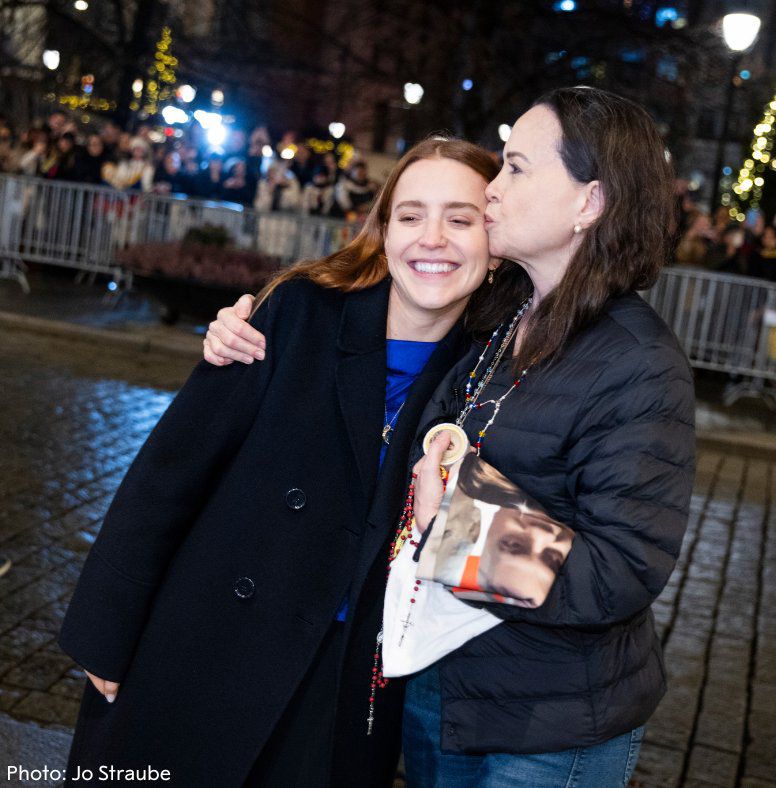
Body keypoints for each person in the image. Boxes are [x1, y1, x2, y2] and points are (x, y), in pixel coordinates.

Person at [207, 87, 696, 786]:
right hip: (440, 696)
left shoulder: (639, 364)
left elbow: (623, 570)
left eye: (517, 169)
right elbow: (384, 324)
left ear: (588, 203)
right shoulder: (502, 317)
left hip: (547, 726)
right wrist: (249, 331)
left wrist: (461, 530)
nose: (492, 190)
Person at [58, 137, 501, 786]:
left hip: (348, 684)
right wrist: (106, 628)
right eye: (410, 216)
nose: (431, 238)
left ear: (496, 241)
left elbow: (473, 560)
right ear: (381, 233)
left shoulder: (495, 376)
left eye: (460, 219)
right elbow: (172, 471)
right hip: (207, 645)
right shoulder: (300, 311)